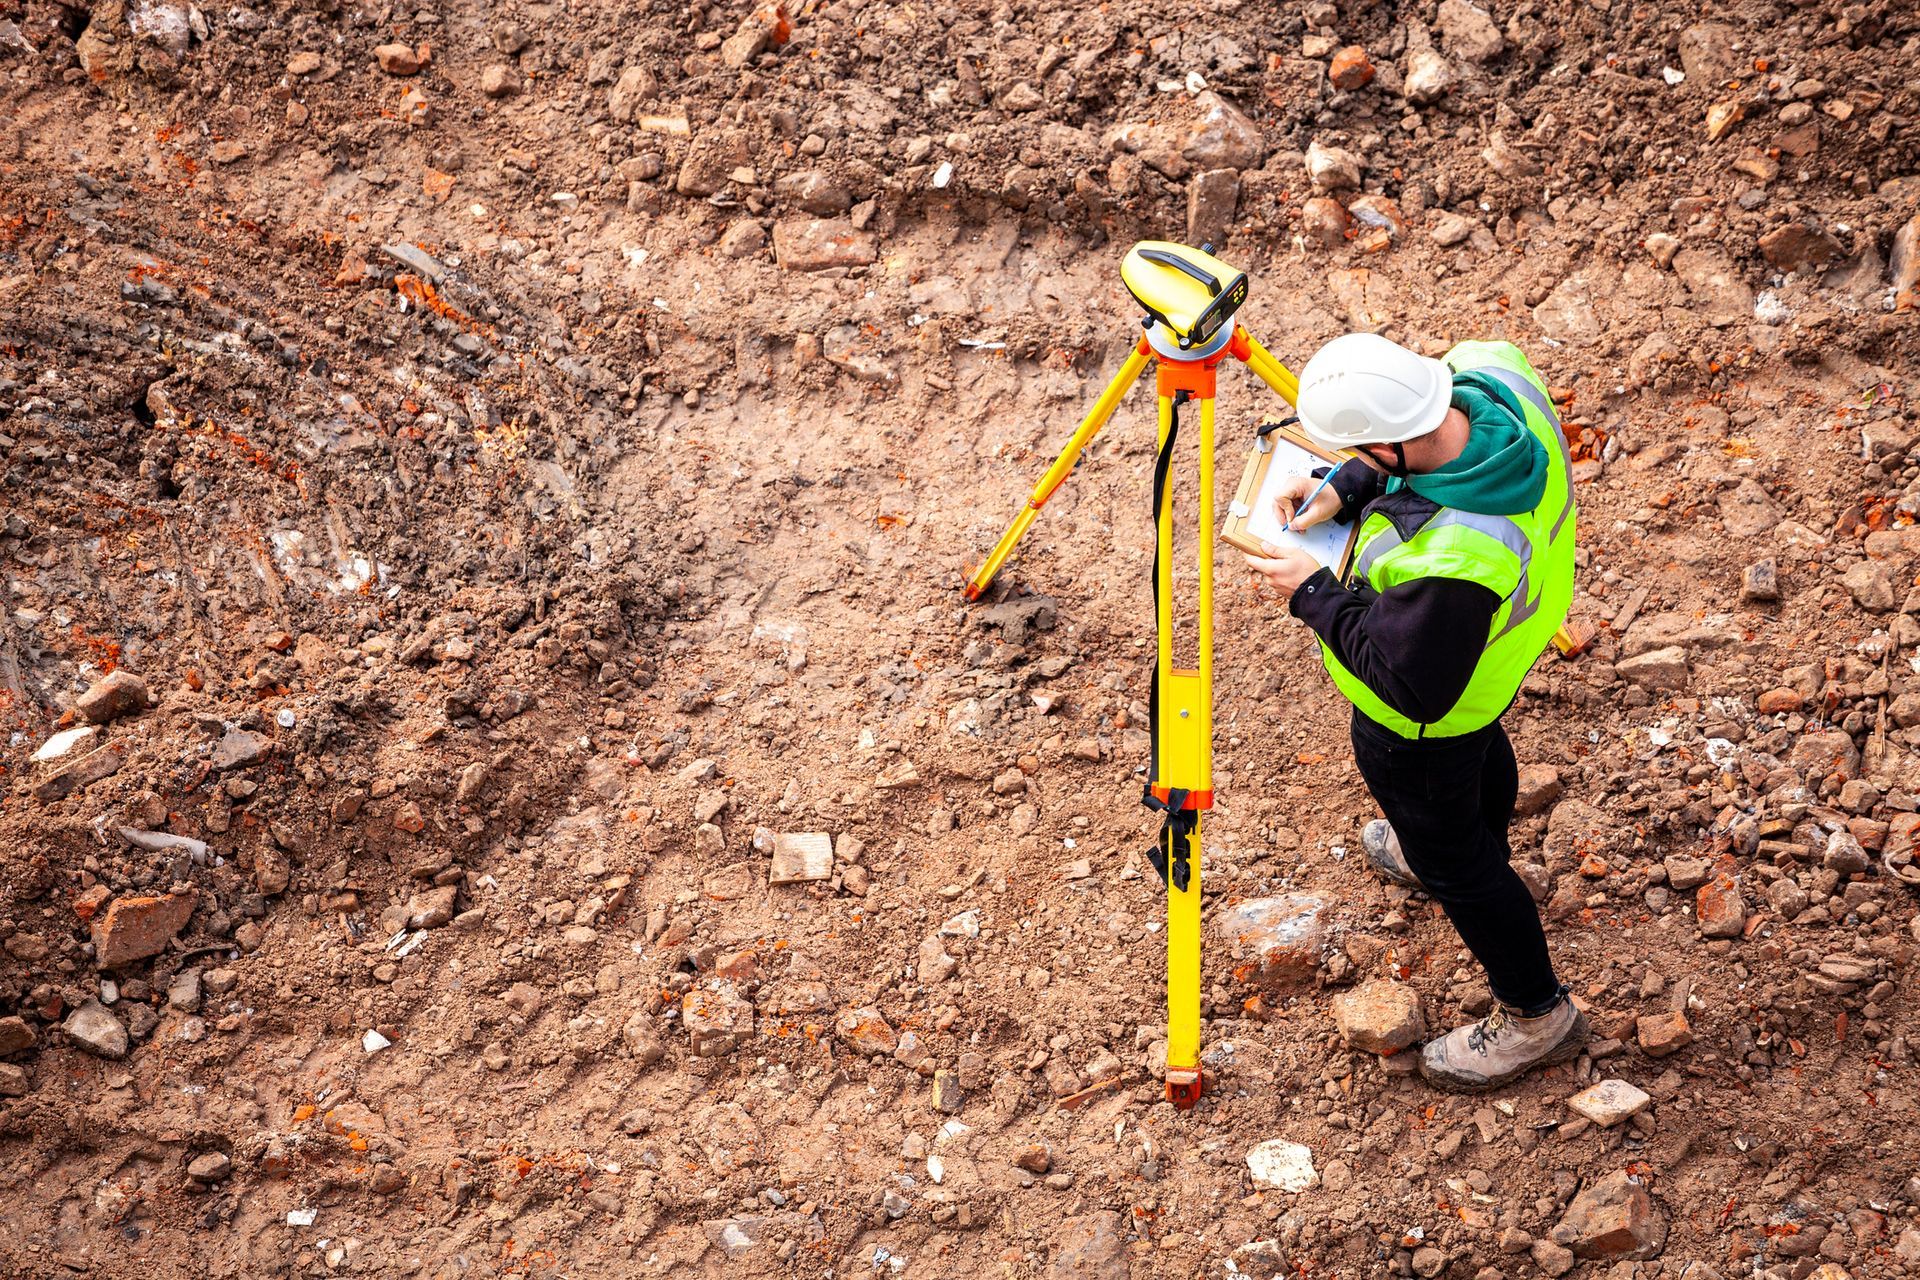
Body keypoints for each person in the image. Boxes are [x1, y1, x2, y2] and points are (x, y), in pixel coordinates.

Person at [1242, 332, 1583, 1091]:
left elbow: (1410, 686)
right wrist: (1345, 485)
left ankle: (1537, 1015)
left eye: (1361, 449)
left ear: (1389, 441)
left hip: (1424, 719)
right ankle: (1464, 846)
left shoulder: (1456, 557)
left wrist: (1312, 591)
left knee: (1459, 863)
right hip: (1489, 671)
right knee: (1472, 770)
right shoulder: (1489, 371)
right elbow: (1418, 434)